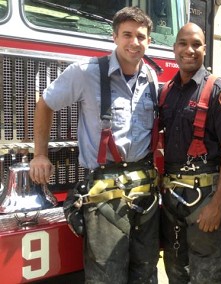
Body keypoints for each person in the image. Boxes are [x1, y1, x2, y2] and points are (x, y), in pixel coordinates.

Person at [29, 7, 160, 284]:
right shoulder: (85, 72)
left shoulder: (152, 78)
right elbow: (45, 103)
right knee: (106, 276)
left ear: (149, 41)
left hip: (144, 194)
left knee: (145, 272)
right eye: (127, 35)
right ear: (114, 37)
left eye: (141, 36)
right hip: (103, 197)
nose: (134, 42)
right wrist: (40, 154)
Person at [159, 22, 221, 283]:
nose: (189, 50)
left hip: (205, 199)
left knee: (208, 274)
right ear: (175, 48)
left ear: (205, 49)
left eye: (196, 44)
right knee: (175, 269)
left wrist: (218, 204)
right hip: (172, 199)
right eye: (183, 43)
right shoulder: (166, 92)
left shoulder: (220, 91)